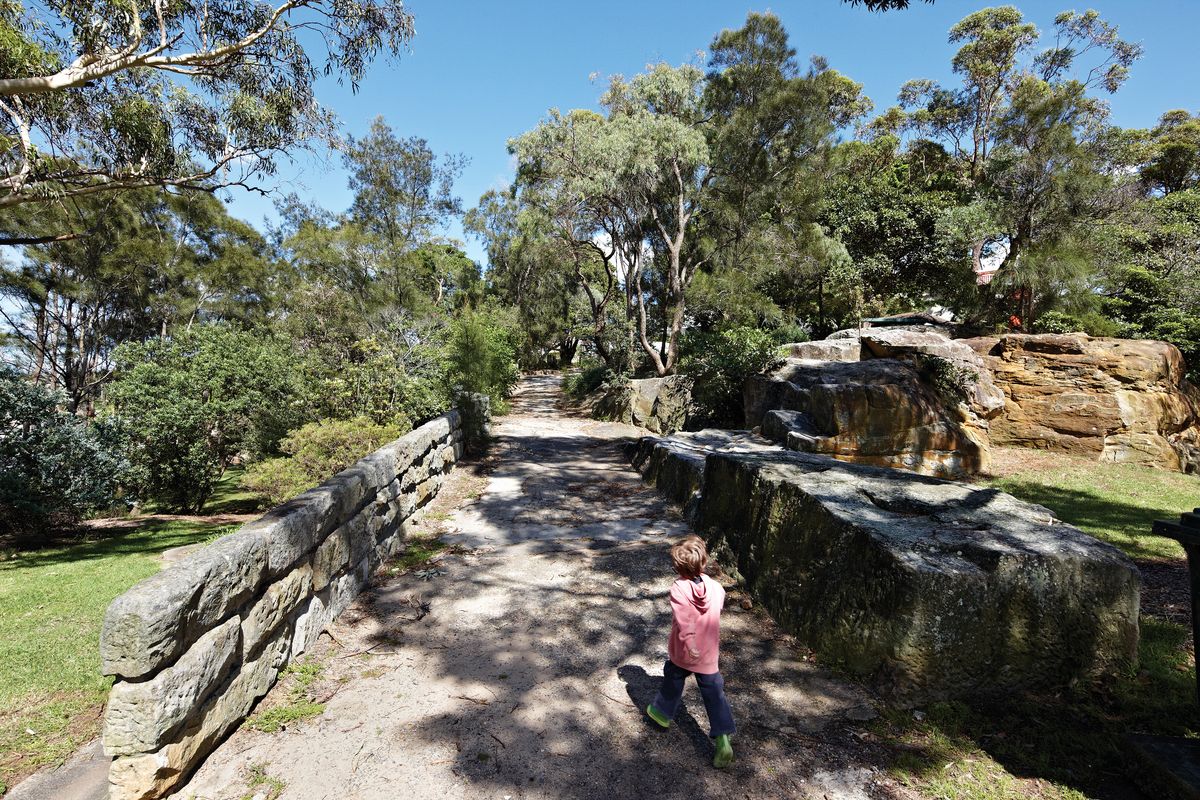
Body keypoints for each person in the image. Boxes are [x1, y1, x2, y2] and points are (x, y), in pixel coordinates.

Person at [646, 535, 736, 768]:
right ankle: (723, 737)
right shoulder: (715, 587)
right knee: (714, 692)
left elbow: (684, 621)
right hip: (708, 654)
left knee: (673, 677)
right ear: (703, 563)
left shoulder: (679, 588)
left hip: (684, 652)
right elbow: (719, 605)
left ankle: (662, 713)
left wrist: (690, 644)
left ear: (677, 567)